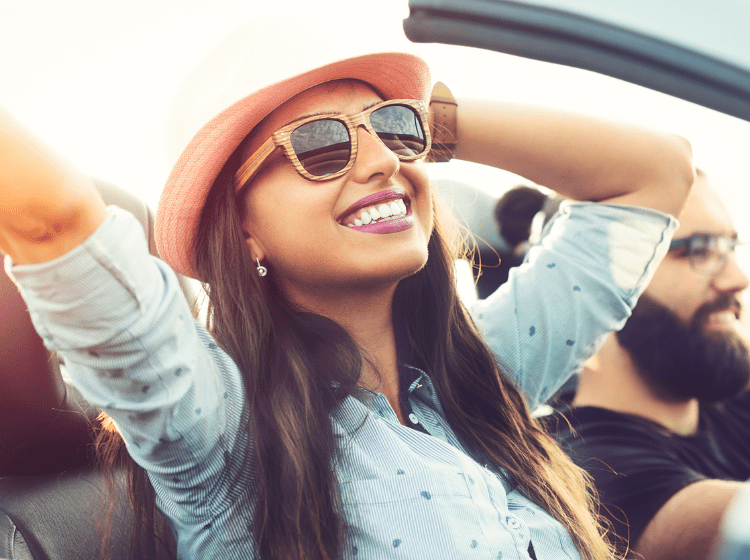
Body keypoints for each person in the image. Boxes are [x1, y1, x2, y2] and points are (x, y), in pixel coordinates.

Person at [0, 19, 693, 560]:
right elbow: (54, 217)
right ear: (244, 233)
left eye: (396, 131)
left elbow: (659, 172)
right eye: (322, 145)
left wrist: (425, 117)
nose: (386, 160)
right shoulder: (224, 433)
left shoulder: (486, 381)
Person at [549, 170, 749, 560]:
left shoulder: (729, 395)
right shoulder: (586, 472)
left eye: (729, 248)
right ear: (597, 288)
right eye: (698, 249)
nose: (737, 278)